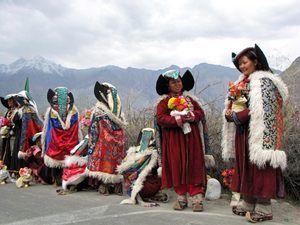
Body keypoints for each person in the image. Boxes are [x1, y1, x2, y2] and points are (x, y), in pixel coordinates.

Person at [222, 44, 289, 222]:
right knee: (245, 164)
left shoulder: (264, 82)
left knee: (261, 166)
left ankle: (264, 205)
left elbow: (265, 108)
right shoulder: (242, 83)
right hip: (243, 131)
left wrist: (240, 115)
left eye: (245, 62)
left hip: (260, 133)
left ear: (255, 61)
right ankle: (248, 200)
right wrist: (229, 114)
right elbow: (233, 104)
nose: (242, 67)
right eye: (240, 65)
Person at [155, 70, 214, 212]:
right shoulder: (164, 102)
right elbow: (161, 118)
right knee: (177, 165)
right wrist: (179, 120)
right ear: (168, 86)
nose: (177, 84)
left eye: (179, 81)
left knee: (193, 164)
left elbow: (200, 112)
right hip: (174, 139)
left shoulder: (190, 100)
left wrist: (192, 116)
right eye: (173, 82)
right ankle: (181, 197)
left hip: (191, 138)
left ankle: (197, 198)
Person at [86, 82, 127, 195]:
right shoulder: (117, 113)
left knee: (107, 161)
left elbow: (93, 130)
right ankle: (112, 185)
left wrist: (92, 143)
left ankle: (107, 185)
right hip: (114, 142)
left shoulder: (101, 112)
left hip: (105, 142)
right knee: (115, 160)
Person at [42, 87, 82, 186]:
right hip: (70, 140)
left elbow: (47, 128)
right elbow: (76, 127)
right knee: (68, 158)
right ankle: (68, 178)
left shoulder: (51, 111)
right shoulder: (73, 110)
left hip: (55, 140)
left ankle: (56, 180)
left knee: (55, 158)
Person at [11, 90, 43, 173]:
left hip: (26, 134)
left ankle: (25, 172)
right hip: (22, 133)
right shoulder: (24, 109)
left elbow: (16, 120)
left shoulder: (27, 110)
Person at [0, 94, 18, 172]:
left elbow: (17, 124)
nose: (8, 102)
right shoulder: (8, 112)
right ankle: (7, 168)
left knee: (12, 151)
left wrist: (11, 132)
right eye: (8, 101)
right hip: (7, 136)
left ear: (14, 101)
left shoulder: (17, 111)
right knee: (6, 151)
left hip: (14, 134)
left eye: (10, 100)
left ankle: (14, 168)